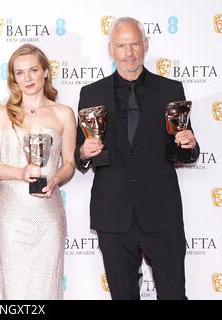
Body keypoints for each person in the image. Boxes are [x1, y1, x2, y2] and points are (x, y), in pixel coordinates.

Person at [75, 17, 199, 300]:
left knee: (174, 295)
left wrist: (188, 144)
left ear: (146, 45)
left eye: (134, 44)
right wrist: (83, 153)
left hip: (161, 210)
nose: (129, 52)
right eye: (121, 45)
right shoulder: (91, 93)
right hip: (113, 213)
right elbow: (79, 153)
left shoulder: (171, 89)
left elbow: (183, 148)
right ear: (110, 50)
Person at [0, 44, 76, 299]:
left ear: (45, 71)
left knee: (47, 289)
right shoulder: (2, 114)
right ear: (13, 78)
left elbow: (69, 163)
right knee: (13, 288)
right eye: (20, 73)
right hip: (12, 215)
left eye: (33, 70)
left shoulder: (64, 113)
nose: (28, 78)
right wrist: (20, 173)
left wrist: (55, 178)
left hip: (48, 215)